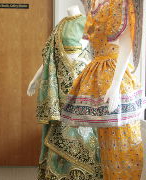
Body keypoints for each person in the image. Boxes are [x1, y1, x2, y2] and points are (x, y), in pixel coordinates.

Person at [61, 0, 145, 179]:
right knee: (106, 147)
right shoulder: (93, 4)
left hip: (116, 77)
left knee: (124, 143)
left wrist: (115, 86)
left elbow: (127, 43)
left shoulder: (119, 3)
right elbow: (90, 45)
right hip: (97, 75)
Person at [27, 5, 102, 179]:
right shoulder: (60, 26)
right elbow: (49, 58)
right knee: (61, 128)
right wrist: (35, 79)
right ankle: (59, 173)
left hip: (81, 85)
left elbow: (94, 53)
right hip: (60, 88)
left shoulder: (87, 22)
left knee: (83, 130)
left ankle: (86, 173)